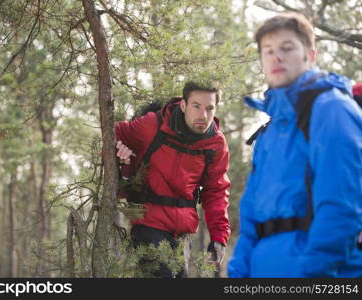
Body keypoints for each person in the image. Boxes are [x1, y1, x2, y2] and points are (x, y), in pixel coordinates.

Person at [227, 12, 362, 278]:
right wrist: (239, 272)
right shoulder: (269, 130)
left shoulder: (331, 109)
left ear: (310, 55)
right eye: (268, 51)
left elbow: (341, 206)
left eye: (287, 48)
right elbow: (251, 213)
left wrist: (312, 272)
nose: (276, 57)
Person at [115, 81, 231, 277]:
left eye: (209, 108)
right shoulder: (152, 126)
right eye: (196, 106)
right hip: (148, 224)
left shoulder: (216, 143)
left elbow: (216, 191)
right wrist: (120, 153)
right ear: (184, 105)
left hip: (182, 233)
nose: (203, 115)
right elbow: (114, 133)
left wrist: (219, 237)